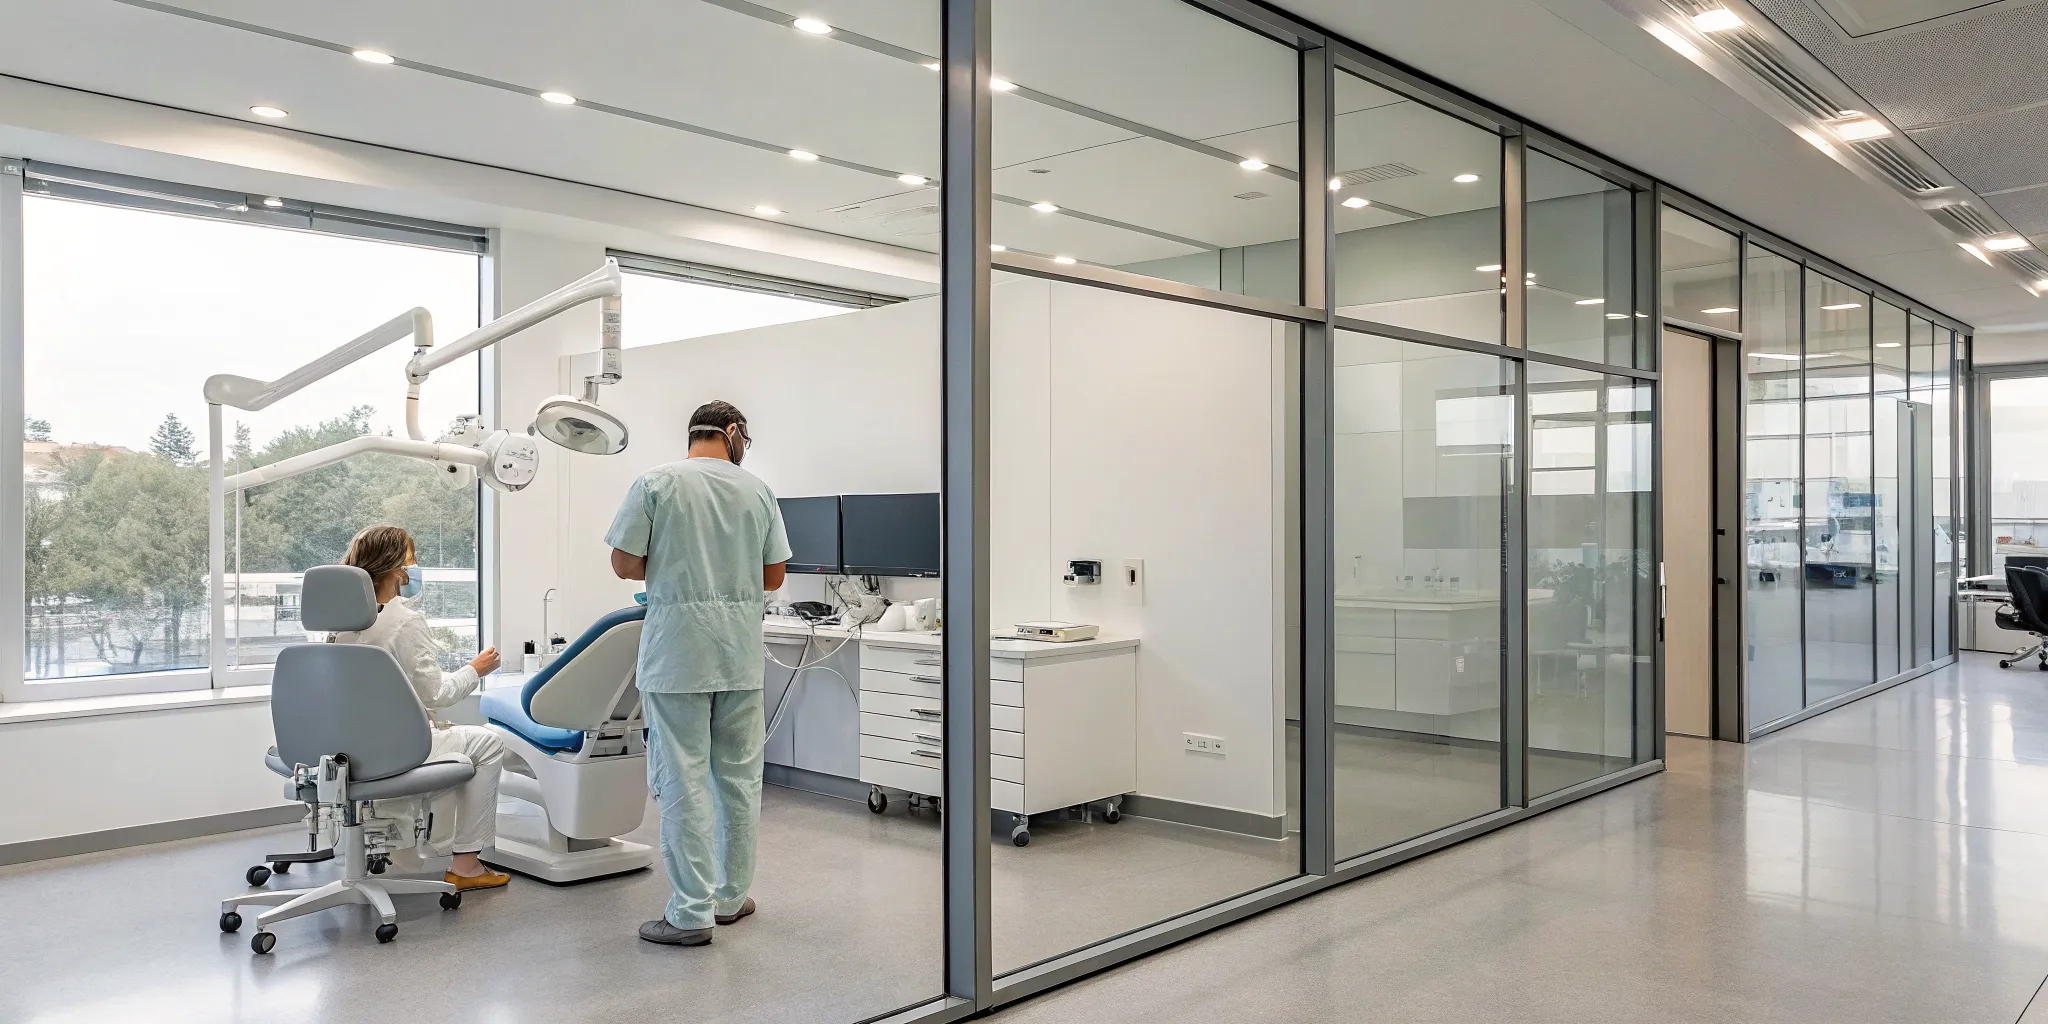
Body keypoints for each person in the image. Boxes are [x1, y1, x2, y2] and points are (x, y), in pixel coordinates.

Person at [607, 400, 790, 946]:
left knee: (684, 782)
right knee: (738, 780)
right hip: (737, 655)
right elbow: (774, 576)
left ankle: (690, 912)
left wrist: (669, 558)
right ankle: (730, 897)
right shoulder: (756, 490)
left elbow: (623, 564)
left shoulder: (655, 484)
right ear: (733, 432)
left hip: (678, 657)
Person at [333, 524, 511, 892]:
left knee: (449, 738)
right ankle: (466, 865)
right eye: (410, 561)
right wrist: (475, 669)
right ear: (396, 569)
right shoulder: (404, 621)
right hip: (391, 751)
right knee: (489, 744)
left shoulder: (339, 626)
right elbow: (437, 695)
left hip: (344, 749)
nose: (412, 570)